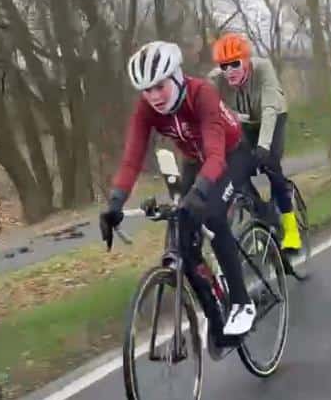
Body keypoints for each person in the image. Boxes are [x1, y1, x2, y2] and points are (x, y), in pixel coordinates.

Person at [100, 40, 257, 338]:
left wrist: (200, 193)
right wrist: (115, 203)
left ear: (176, 76)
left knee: (212, 215)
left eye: (160, 86)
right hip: (195, 161)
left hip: (231, 154)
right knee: (183, 240)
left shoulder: (201, 94)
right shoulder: (146, 109)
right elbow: (132, 159)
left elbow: (216, 155)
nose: (154, 97)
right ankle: (216, 319)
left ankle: (241, 302)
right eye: (146, 90)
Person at [207, 33, 301, 252]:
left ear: (247, 60)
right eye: (224, 66)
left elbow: (269, 110)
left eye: (235, 64)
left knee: (271, 164)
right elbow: (211, 117)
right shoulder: (215, 80)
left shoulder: (263, 69)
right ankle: (264, 217)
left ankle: (291, 229)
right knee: (236, 171)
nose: (229, 71)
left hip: (273, 115)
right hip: (244, 123)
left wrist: (263, 147)